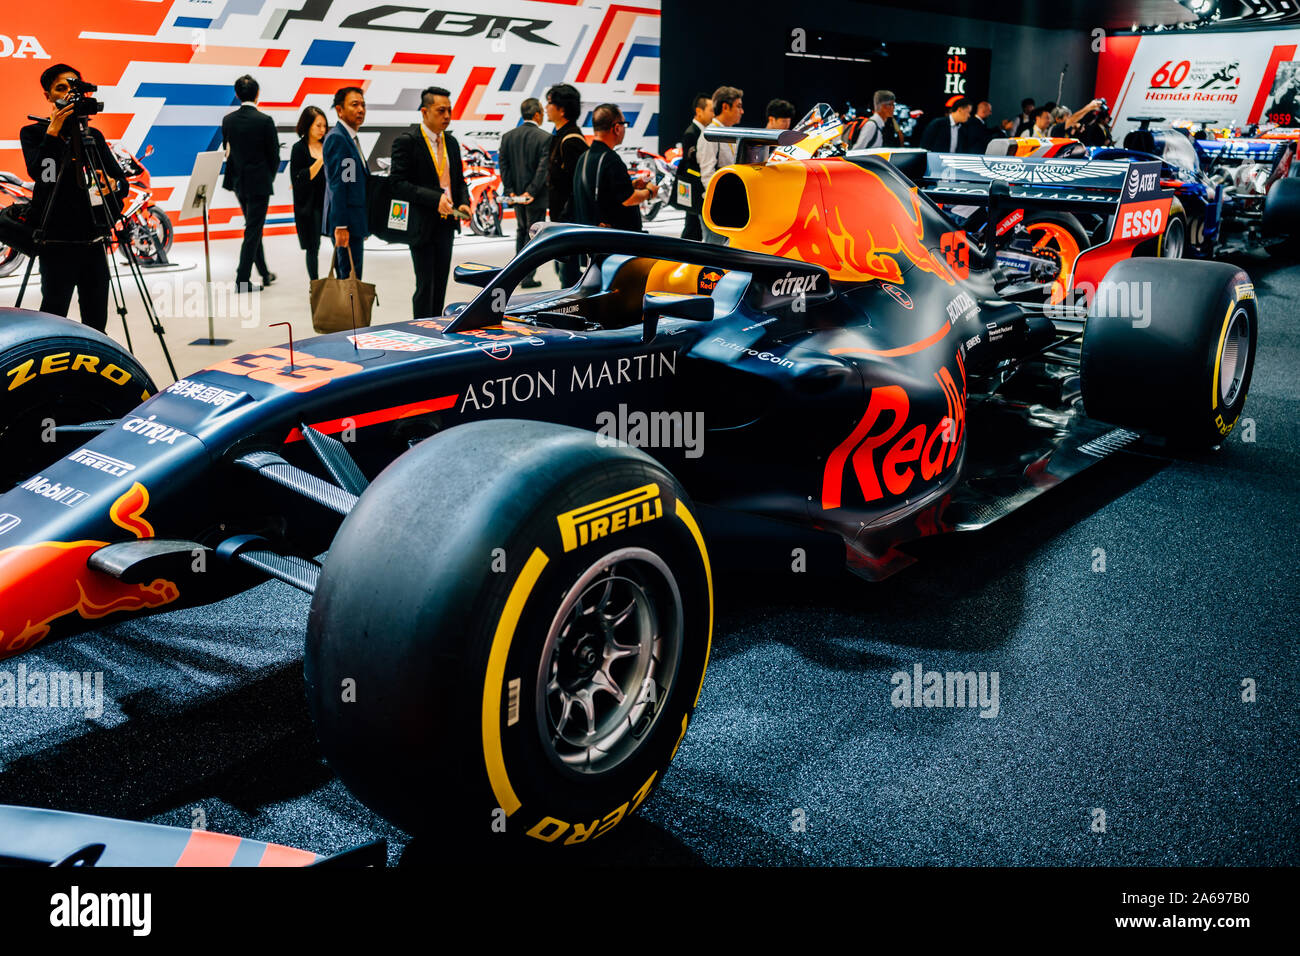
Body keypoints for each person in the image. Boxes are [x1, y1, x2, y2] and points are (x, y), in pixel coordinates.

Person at [19, 63, 127, 333]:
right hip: (56, 242)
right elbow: (44, 175)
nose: (68, 94)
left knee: (96, 320)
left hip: (93, 241)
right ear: (48, 95)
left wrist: (111, 184)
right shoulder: (33, 133)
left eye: (73, 88)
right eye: (61, 88)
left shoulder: (93, 136)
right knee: (54, 318)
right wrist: (53, 133)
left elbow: (121, 184)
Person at [389, 86, 471, 319]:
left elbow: (459, 181)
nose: (447, 116)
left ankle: (437, 330)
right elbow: (397, 184)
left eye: (449, 110)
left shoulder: (452, 143)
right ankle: (422, 331)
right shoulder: (407, 142)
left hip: (447, 223)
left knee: (441, 284)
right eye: (441, 110)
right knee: (426, 285)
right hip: (421, 224)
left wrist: (463, 202)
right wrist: (435, 199)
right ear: (425, 112)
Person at [221, 74, 279, 292]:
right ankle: (242, 280)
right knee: (253, 230)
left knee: (254, 228)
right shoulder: (264, 121)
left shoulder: (228, 121)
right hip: (259, 183)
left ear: (237, 94)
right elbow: (274, 156)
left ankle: (264, 273)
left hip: (239, 183)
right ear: (257, 94)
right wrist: (267, 177)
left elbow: (228, 151)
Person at [572, 104, 653, 232]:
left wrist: (631, 185)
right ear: (616, 128)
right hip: (614, 241)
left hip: (592, 236)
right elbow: (628, 199)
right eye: (624, 125)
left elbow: (604, 191)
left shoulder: (585, 157)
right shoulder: (610, 159)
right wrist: (650, 192)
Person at [498, 97, 550, 288]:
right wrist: (532, 192)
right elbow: (542, 169)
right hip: (534, 198)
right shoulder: (545, 138)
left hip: (516, 196)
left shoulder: (508, 136)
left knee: (521, 232)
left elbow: (503, 166)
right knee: (535, 235)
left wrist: (511, 191)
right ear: (537, 114)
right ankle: (527, 276)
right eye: (542, 113)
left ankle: (517, 274)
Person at [322, 86, 369, 279]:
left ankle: (353, 310)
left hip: (354, 221)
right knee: (349, 279)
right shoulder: (338, 139)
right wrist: (341, 226)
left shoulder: (350, 138)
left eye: (363, 105)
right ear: (340, 110)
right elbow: (339, 185)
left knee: (353, 278)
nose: (361, 110)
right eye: (355, 105)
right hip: (346, 224)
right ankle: (349, 311)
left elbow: (349, 179)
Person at [545, 82, 587, 285]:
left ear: (561, 109)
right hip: (560, 223)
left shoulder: (571, 141)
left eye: (549, 103)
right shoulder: (559, 137)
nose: (546, 107)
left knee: (569, 280)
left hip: (568, 225)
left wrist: (562, 220)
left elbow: (574, 188)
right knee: (564, 275)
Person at [697, 85, 743, 245]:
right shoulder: (710, 134)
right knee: (713, 250)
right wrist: (721, 201)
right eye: (738, 106)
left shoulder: (728, 132)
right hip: (716, 205)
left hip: (729, 204)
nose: (742, 111)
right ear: (725, 107)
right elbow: (707, 174)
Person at [290, 105, 327, 281]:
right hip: (310, 205)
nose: (322, 130)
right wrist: (320, 160)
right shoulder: (299, 149)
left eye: (324, 126)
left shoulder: (329, 144)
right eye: (318, 125)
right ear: (307, 125)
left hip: (329, 202)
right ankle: (315, 283)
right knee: (313, 247)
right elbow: (300, 178)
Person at [677, 93, 712, 241]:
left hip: (697, 187)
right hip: (694, 186)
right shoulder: (691, 133)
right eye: (711, 110)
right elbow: (690, 161)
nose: (713, 114)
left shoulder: (703, 132)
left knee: (695, 226)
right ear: (699, 111)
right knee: (692, 227)